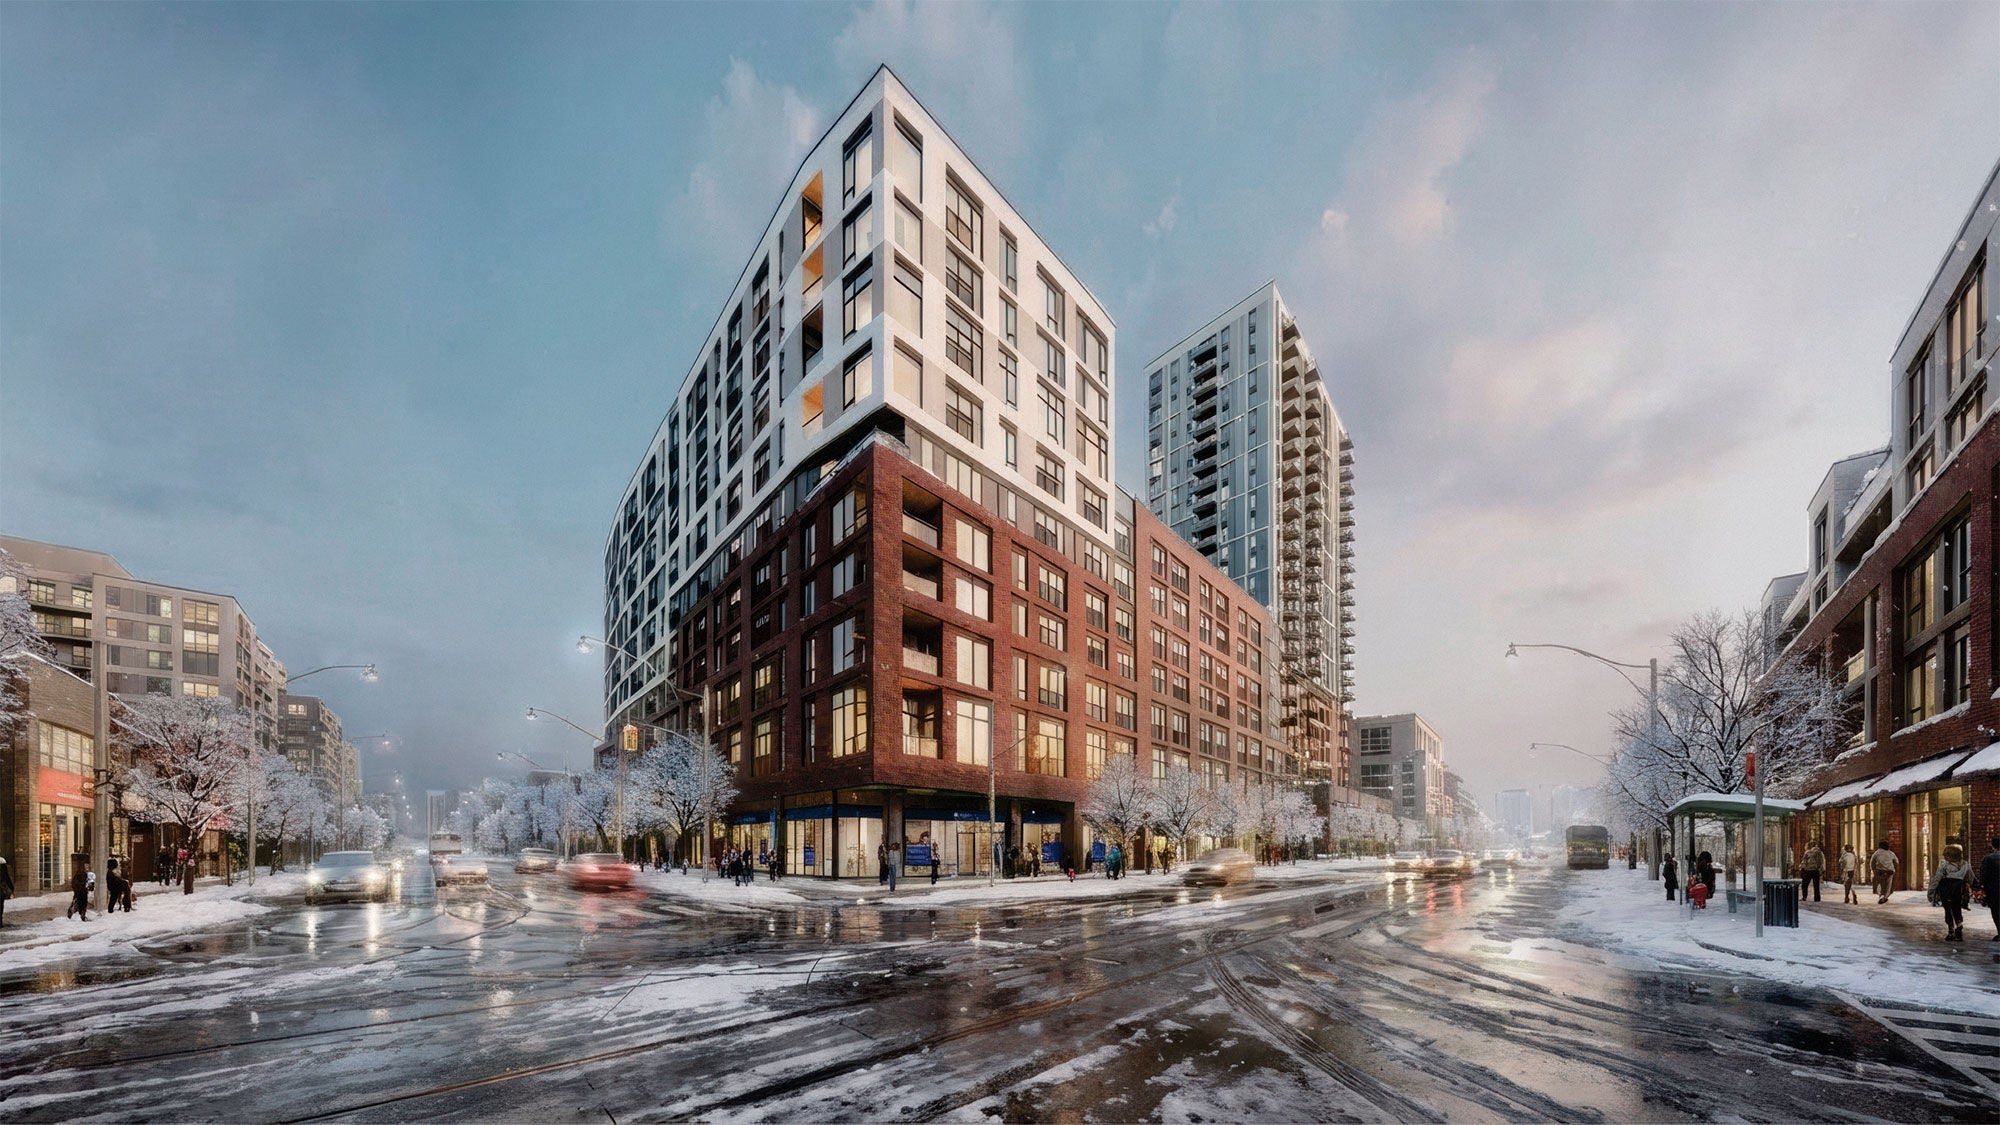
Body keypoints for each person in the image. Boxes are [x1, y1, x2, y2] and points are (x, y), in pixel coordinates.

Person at [1929, 843, 1974, 941]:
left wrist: (1931, 892)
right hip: (1959, 889)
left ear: (1949, 856)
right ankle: (1959, 925)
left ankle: (1951, 931)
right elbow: (1971, 878)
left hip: (1946, 889)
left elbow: (1936, 879)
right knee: (1957, 908)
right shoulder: (1966, 864)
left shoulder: (1944, 865)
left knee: (1948, 910)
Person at [1979, 838, 2000, 940]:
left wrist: (1982, 887)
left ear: (1993, 846)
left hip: (1993, 890)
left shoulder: (1988, 858)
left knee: (1996, 911)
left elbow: (1984, 875)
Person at [0, 855, 12, 927]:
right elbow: (6, 876)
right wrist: (11, 887)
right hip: (1, 888)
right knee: (0, 905)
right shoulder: (2, 861)